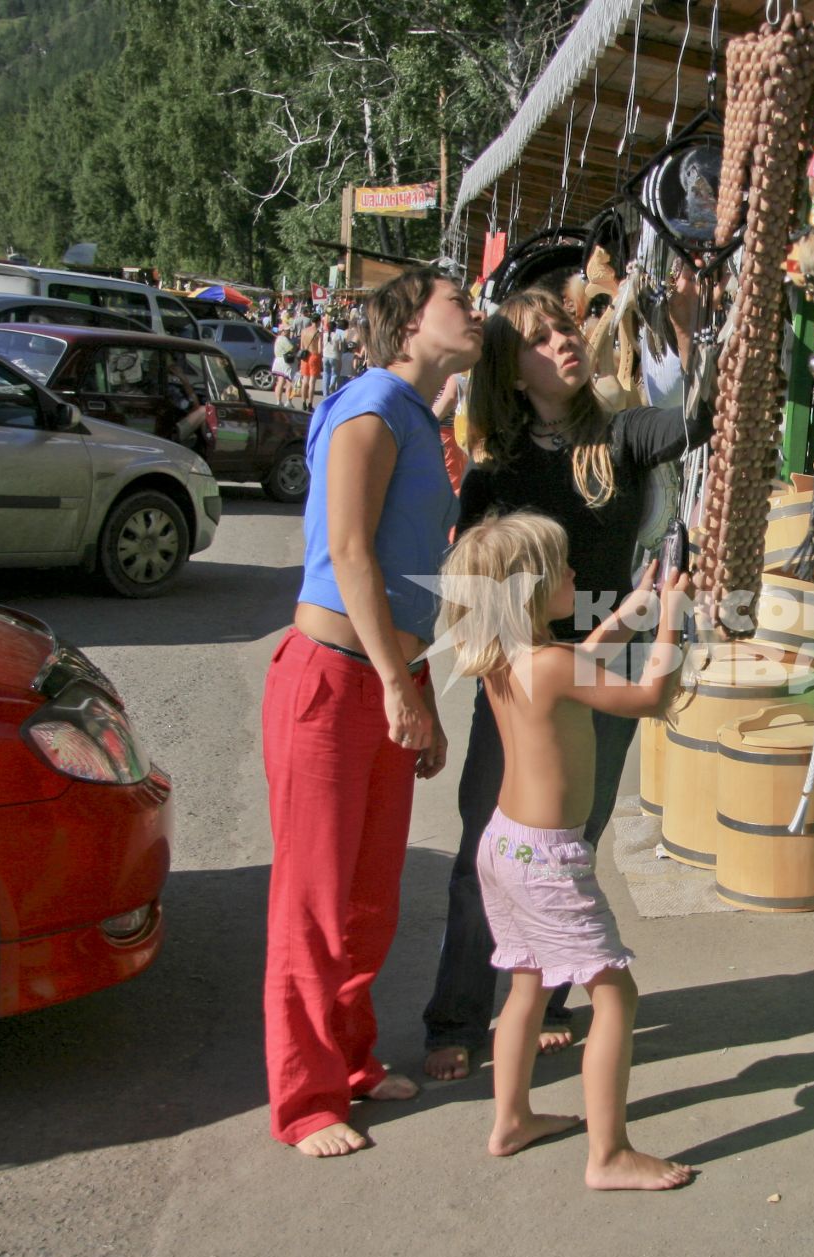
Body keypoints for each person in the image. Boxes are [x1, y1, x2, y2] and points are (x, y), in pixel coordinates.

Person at [420, 286, 704, 1081]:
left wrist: (684, 327)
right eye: (540, 339)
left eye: (566, 328)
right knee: (491, 841)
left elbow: (697, 418)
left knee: (571, 842)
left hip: (604, 665)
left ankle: (539, 1001)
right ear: (513, 372)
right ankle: (457, 1015)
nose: (563, 342)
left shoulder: (618, 434)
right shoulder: (496, 471)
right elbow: (470, 582)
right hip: (528, 680)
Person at [261, 268, 480, 1157]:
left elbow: (402, 572)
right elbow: (348, 550)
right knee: (314, 902)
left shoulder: (422, 418)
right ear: (410, 326)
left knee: (368, 897)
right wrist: (398, 681)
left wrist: (412, 685)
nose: (473, 313)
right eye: (457, 302)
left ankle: (348, 1061)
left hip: (384, 675)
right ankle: (305, 1100)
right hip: (331, 679)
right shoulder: (372, 402)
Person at [438, 511, 696, 1190]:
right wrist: (671, 618)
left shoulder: (507, 656)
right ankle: (609, 1155)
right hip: (550, 861)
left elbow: (584, 659)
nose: (577, 574)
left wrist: (633, 611)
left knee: (526, 982)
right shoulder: (550, 665)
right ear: (530, 592)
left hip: (505, 847)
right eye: (564, 569)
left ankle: (511, 1120)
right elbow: (650, 696)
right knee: (615, 997)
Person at [431, 369, 470, 496]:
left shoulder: (454, 364)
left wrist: (425, 420)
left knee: (452, 484)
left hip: (444, 429)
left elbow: (450, 397)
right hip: (439, 429)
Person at [298, 311, 324, 411]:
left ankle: (303, 402)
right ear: (318, 321)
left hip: (305, 356)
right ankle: (310, 403)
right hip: (314, 356)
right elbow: (319, 350)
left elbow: (302, 346)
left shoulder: (304, 331)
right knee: (312, 382)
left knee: (305, 381)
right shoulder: (318, 333)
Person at [271, 325, 295, 405]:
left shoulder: (278, 338)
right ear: (282, 331)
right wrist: (296, 346)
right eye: (287, 330)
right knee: (289, 382)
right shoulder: (283, 339)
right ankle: (288, 401)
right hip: (285, 362)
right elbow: (291, 348)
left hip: (278, 361)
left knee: (280, 381)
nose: (288, 332)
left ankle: (278, 401)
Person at [322, 321, 347, 397]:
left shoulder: (324, 335)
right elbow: (341, 348)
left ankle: (325, 392)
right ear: (335, 328)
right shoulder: (337, 336)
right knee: (335, 373)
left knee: (326, 373)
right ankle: (332, 385)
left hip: (325, 355)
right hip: (334, 356)